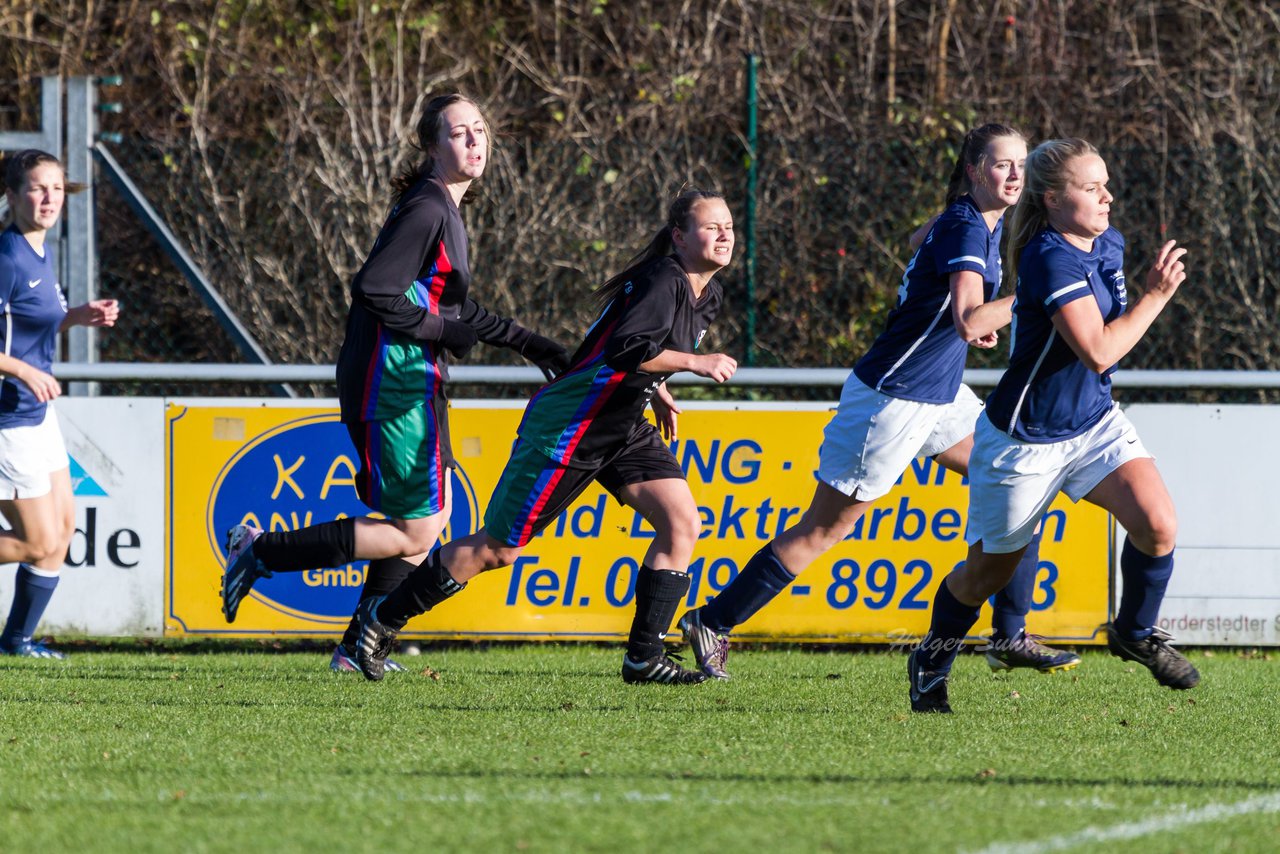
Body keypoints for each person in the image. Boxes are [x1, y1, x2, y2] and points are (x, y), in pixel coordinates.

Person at [678, 124, 1079, 680]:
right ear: (972, 170)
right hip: (894, 399)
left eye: (1020, 164)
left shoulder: (972, 218)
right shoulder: (969, 227)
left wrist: (949, 316)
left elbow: (921, 247)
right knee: (823, 530)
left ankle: (1010, 635)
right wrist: (1009, 304)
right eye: (1001, 164)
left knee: (1017, 480)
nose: (1014, 174)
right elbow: (968, 320)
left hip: (937, 393)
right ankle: (713, 621)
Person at [218, 95, 568, 673]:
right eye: (460, 133)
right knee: (417, 530)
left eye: (481, 130)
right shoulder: (428, 207)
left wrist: (530, 343)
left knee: (430, 520)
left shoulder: (443, 209)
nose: (475, 142)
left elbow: (449, 305)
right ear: (432, 146)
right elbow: (375, 290)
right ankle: (260, 552)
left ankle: (357, 646)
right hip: (394, 380)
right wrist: (443, 331)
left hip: (411, 377)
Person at [351, 188, 739, 684]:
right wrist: (693, 363)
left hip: (621, 425)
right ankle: (380, 618)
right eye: (712, 226)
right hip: (571, 426)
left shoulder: (710, 293)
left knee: (682, 522)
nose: (725, 234)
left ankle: (643, 657)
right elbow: (626, 349)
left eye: (728, 225)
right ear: (680, 238)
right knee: (497, 550)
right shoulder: (665, 278)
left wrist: (657, 384)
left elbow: (635, 349)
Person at [908, 138, 1198, 713]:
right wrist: (1155, 296)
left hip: (1093, 424)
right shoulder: (1049, 256)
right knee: (986, 574)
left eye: (1105, 184)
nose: (1107, 197)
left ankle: (1134, 633)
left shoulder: (1106, 242)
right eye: (1092, 189)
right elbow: (1098, 351)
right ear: (1053, 199)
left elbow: (1094, 363)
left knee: (1159, 525)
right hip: (1024, 441)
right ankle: (931, 660)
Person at [0, 149, 120, 658]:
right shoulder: (6, 257)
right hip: (8, 417)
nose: (48, 198)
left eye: (55, 188)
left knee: (64, 531)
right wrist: (26, 371)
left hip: (35, 412)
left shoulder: (39, 251)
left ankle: (18, 641)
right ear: (12, 195)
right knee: (34, 542)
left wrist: (75, 317)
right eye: (35, 188)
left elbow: (28, 321)